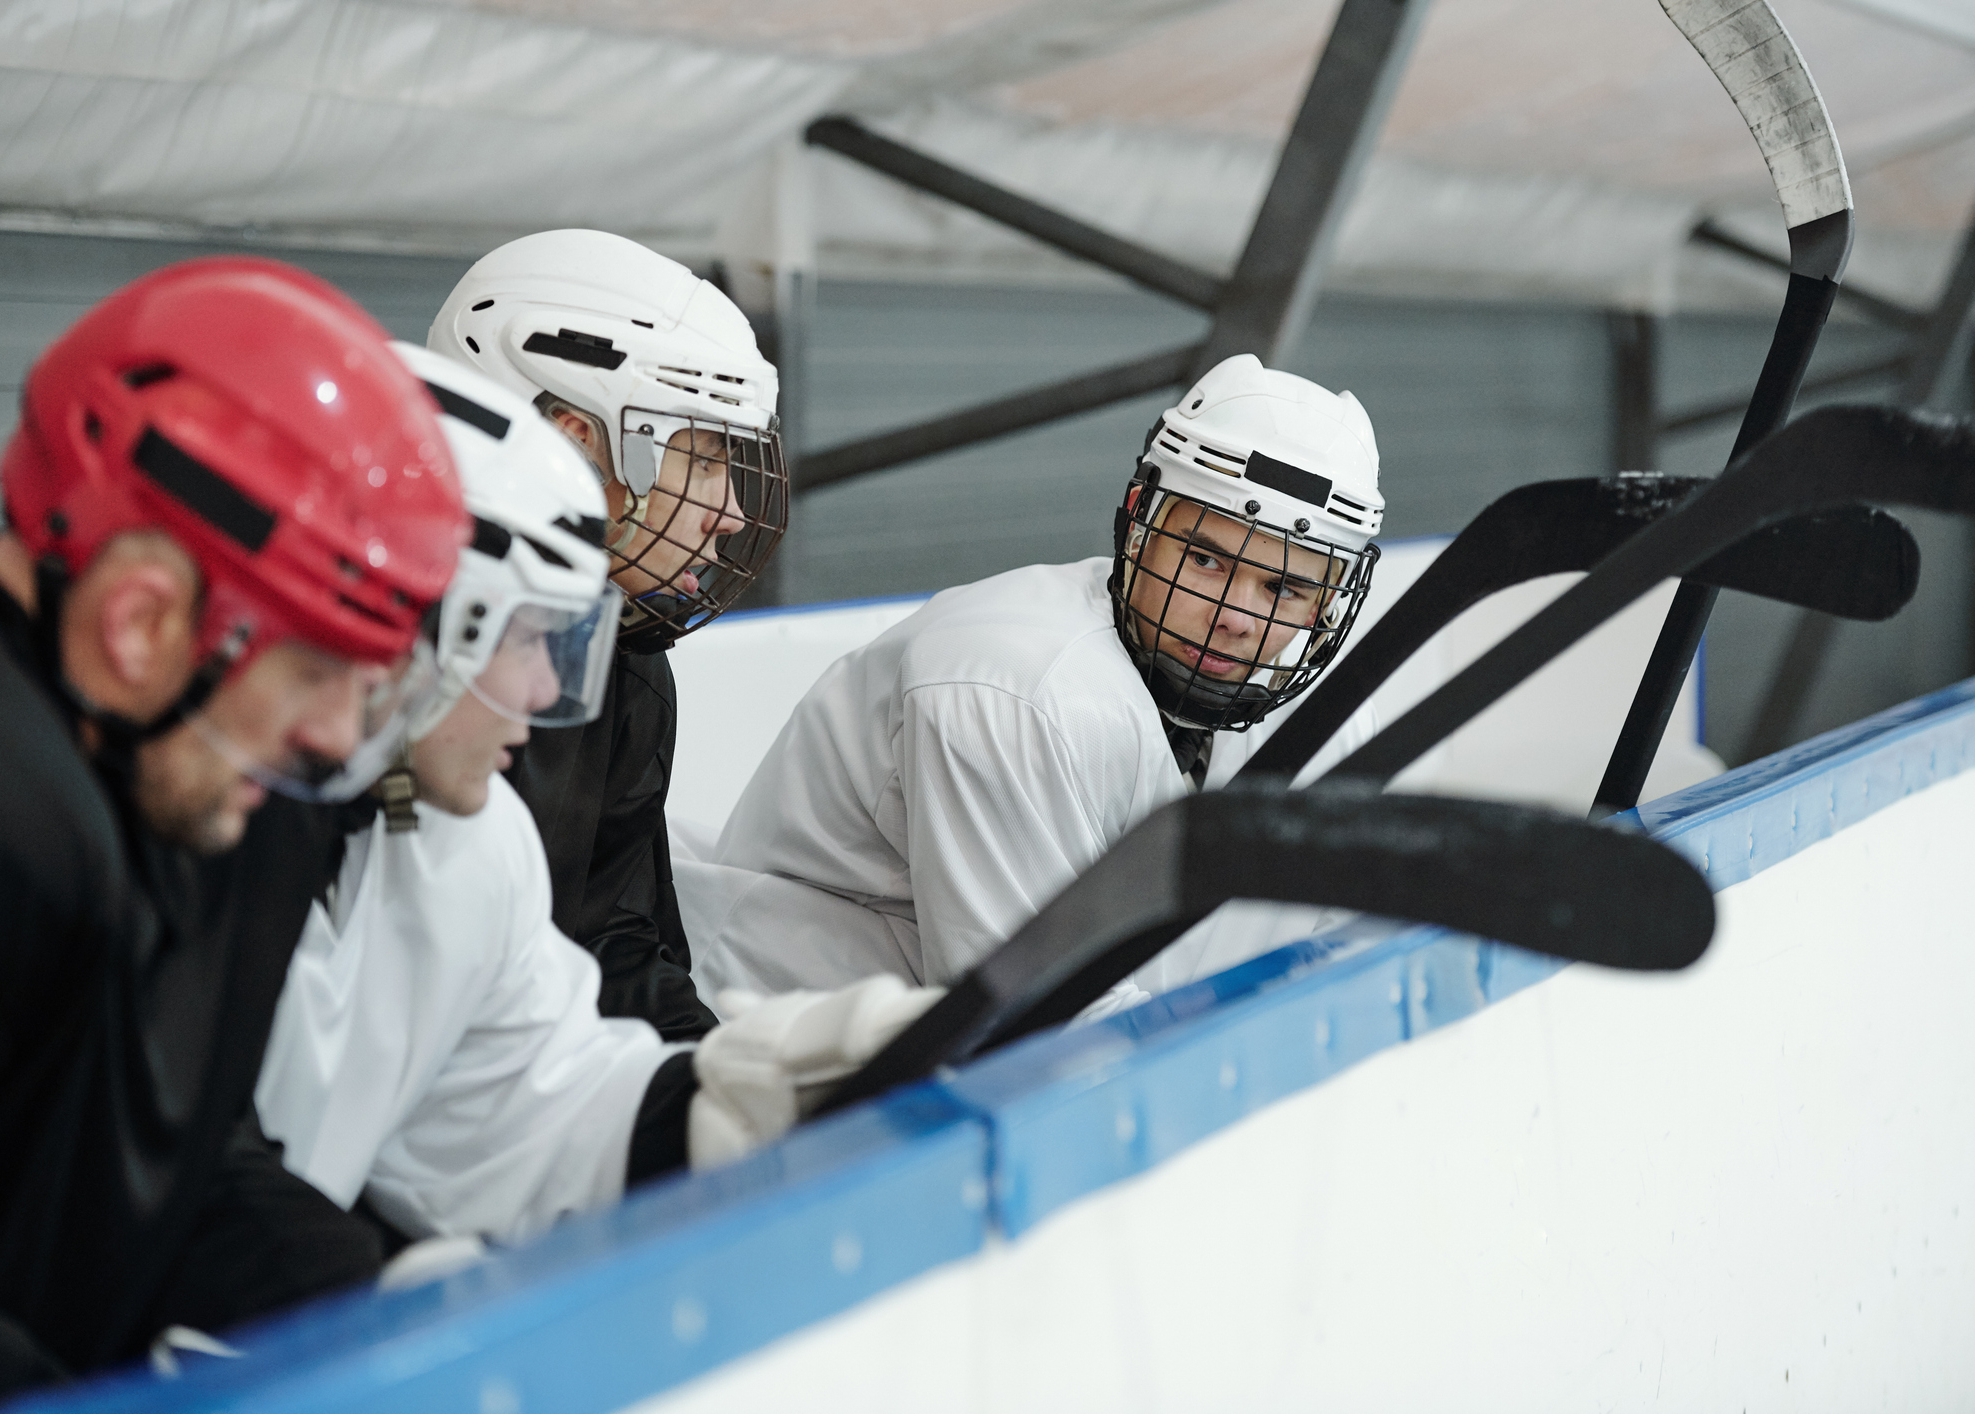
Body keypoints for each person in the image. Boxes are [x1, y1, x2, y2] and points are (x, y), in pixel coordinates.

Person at [0, 258, 467, 1412]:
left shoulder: (172, 765)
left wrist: (374, 1294)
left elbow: (146, 1175)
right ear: (138, 622)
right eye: (316, 669)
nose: (340, 741)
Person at [255, 347, 933, 1247]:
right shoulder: (195, 851)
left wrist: (713, 1102)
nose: (546, 692)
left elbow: (526, 1098)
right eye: (529, 634)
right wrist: (362, 1285)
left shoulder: (467, 838)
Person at [685, 355, 1388, 1000]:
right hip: (772, 1031)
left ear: (1325, 605)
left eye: (1283, 588)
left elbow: (1337, 954)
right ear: (1138, 522)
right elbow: (1026, 1018)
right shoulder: (1009, 687)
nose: (1233, 616)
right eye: (1205, 560)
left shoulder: (1328, 719)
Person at [427, 230, 789, 1040]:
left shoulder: (628, 664)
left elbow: (611, 943)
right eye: (704, 462)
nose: (732, 514)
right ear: (573, 443)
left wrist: (709, 1073)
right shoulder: (376, 672)